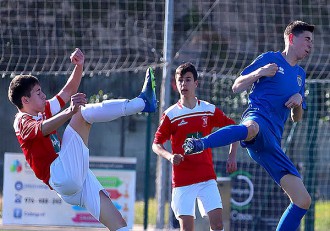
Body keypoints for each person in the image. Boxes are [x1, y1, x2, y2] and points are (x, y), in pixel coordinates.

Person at [183, 20, 314, 231]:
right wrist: (260, 72)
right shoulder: (270, 59)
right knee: (251, 128)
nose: (310, 45)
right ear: (291, 38)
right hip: (257, 118)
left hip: (272, 141)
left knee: (302, 200)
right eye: (307, 39)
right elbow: (236, 86)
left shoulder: (300, 76)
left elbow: (296, 118)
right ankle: (199, 143)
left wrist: (298, 100)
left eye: (312, 41)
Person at [8, 48, 157, 231]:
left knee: (119, 226)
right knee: (83, 113)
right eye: (38, 93)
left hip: (72, 182)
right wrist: (70, 112)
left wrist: (79, 66)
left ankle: (142, 103)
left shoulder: (42, 110)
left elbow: (67, 91)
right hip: (61, 173)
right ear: (25, 100)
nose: (44, 95)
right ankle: (142, 103)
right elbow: (43, 128)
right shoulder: (22, 120)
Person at [152, 62, 239, 231]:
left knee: (218, 225)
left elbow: (234, 129)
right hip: (183, 181)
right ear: (175, 84)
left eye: (188, 80)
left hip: (206, 177)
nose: (184, 84)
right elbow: (156, 144)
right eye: (180, 80)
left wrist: (232, 155)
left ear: (196, 83)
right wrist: (170, 156)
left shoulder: (208, 109)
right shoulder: (171, 115)